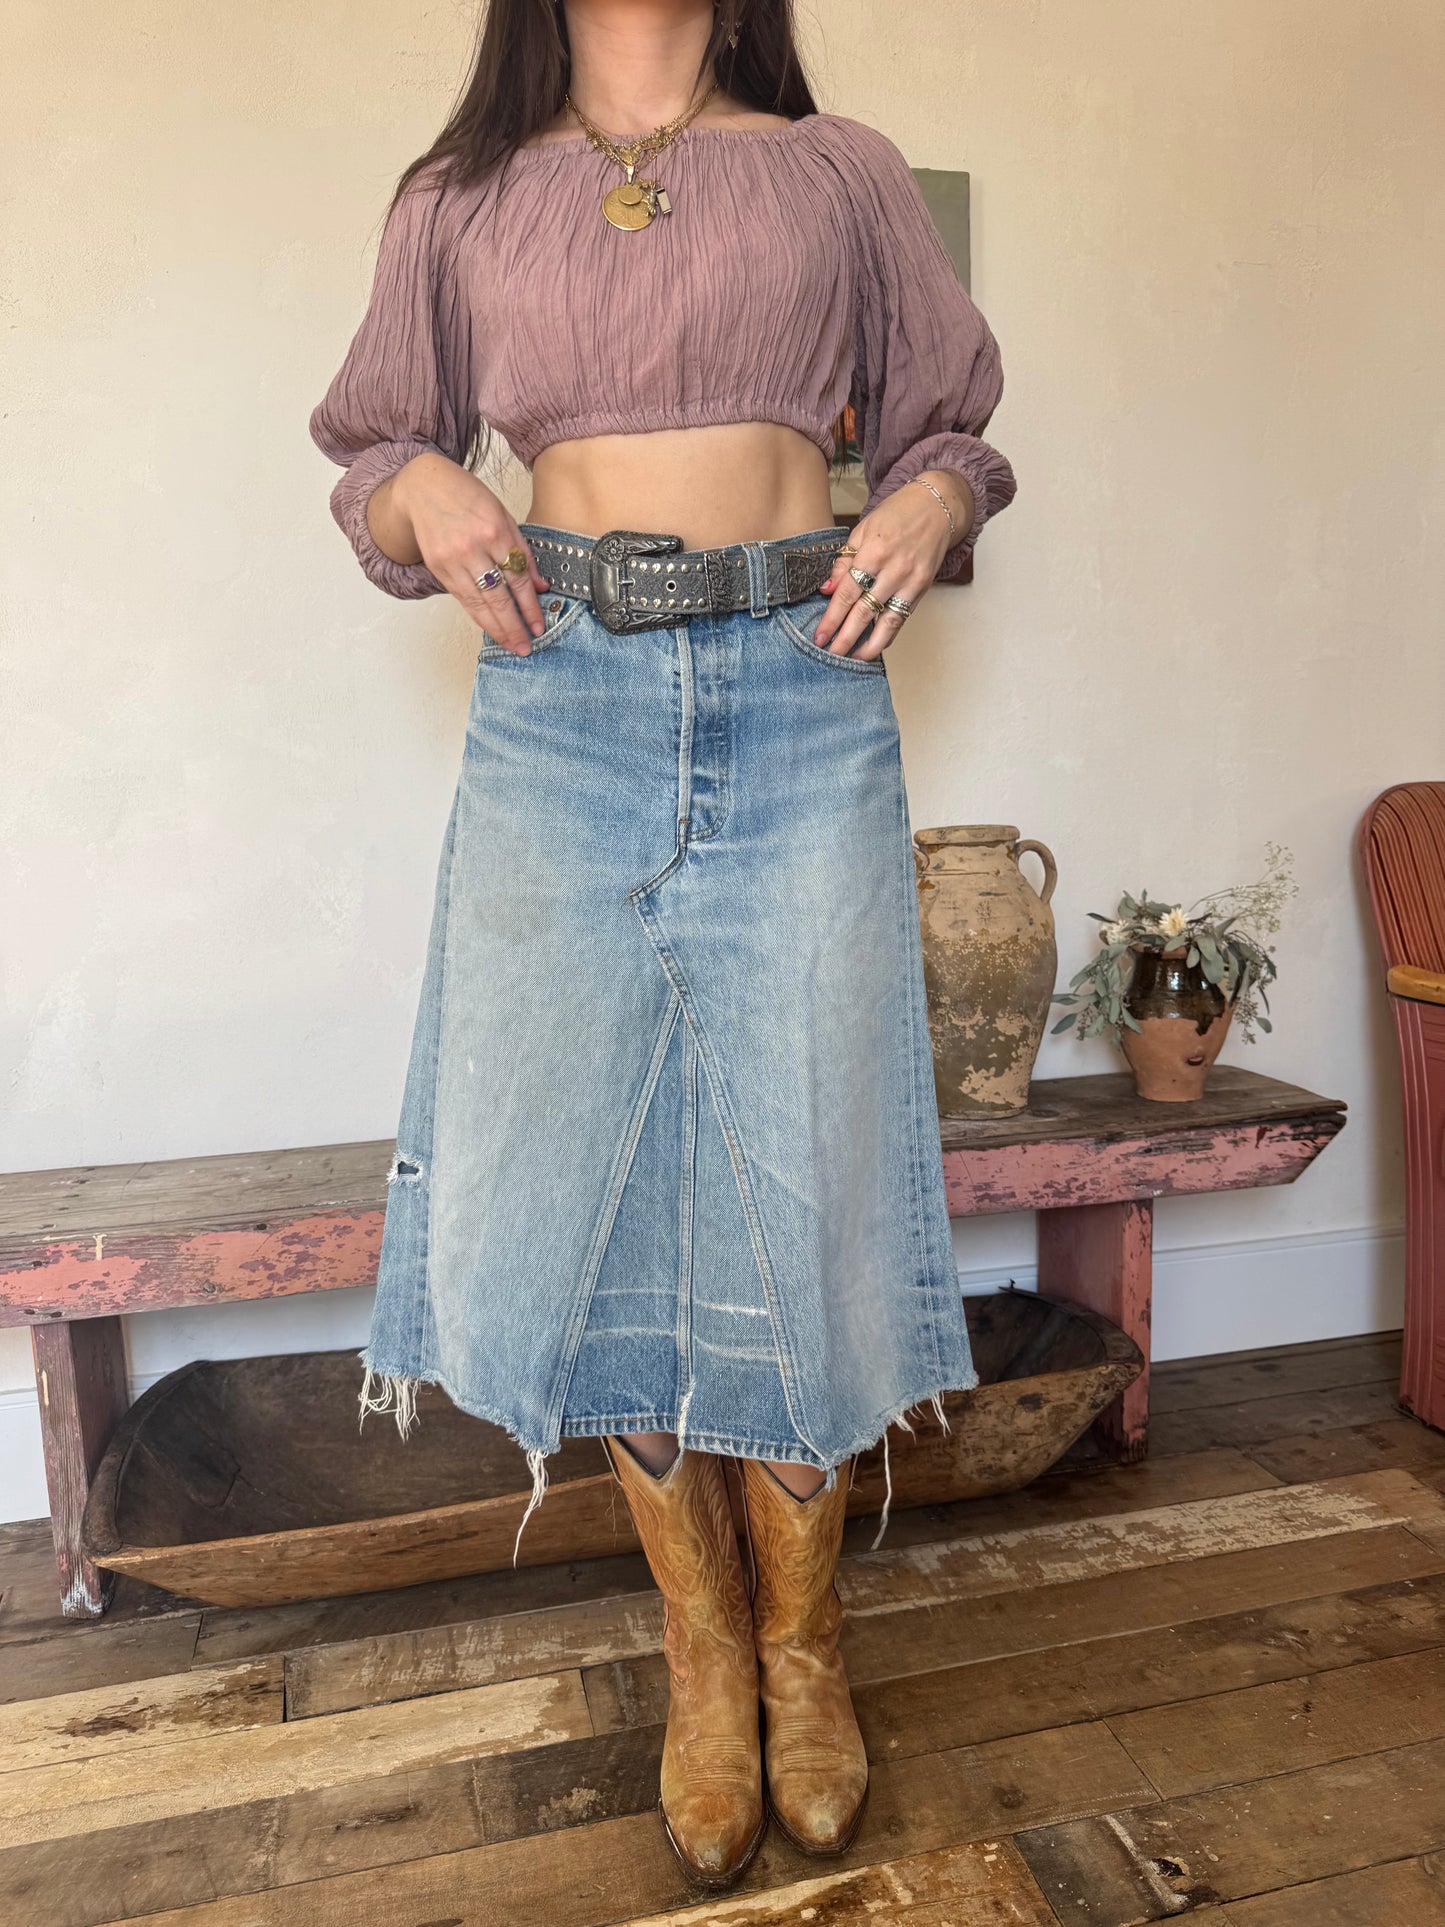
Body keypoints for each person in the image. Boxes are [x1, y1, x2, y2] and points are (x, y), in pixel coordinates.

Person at [308, 0, 1016, 1891]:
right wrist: (420, 486)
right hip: (562, 695)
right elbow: (375, 445)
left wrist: (932, 491)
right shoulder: (459, 198)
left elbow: (949, 427)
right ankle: (704, 1651)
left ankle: (806, 1643)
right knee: (586, 1173)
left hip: (802, 679)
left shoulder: (838, 173)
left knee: (807, 1166)